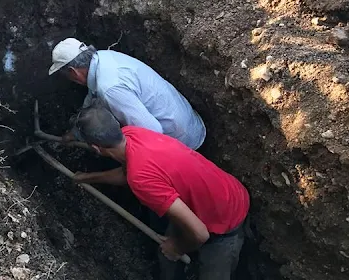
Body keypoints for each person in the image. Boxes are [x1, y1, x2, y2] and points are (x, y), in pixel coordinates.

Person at [73, 103, 249, 280]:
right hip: (223, 190)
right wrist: (89, 178)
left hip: (227, 219)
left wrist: (177, 248)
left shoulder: (140, 178)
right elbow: (128, 173)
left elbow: (199, 233)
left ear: (96, 148)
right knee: (166, 256)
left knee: (188, 257)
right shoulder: (132, 133)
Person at [48, 38, 206, 150]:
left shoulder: (110, 89)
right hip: (188, 119)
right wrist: (76, 132)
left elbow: (153, 133)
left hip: (181, 142)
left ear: (73, 72)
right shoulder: (103, 58)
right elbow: (93, 97)